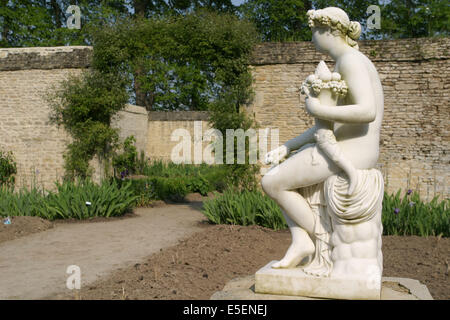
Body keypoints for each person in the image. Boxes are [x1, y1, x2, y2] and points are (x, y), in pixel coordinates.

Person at [262, 7, 384, 269]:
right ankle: (300, 240)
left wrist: (318, 109)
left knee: (272, 182)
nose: (312, 39)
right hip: (343, 144)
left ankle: (318, 239)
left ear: (328, 30)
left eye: (314, 32)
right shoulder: (346, 61)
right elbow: (327, 127)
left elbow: (367, 111)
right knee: (281, 176)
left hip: (355, 150)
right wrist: (288, 147)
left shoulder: (351, 60)